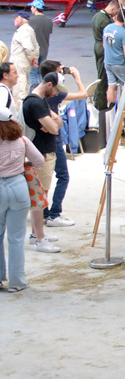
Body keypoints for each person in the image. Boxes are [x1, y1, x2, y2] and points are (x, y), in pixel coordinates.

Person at [35, 61, 87, 230]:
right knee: (62, 176)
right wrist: (77, 78)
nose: (63, 75)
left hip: (39, 141)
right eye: (60, 73)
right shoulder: (55, 94)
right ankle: (54, 214)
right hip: (54, 140)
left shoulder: (35, 92)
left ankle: (43, 212)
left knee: (42, 179)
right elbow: (83, 94)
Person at [0, 101, 43, 291]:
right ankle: (17, 282)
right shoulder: (22, 141)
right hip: (18, 186)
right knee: (16, 238)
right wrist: (23, 165)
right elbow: (39, 161)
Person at [21, 75, 62, 251]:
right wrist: (54, 124)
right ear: (49, 84)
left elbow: (58, 121)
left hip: (42, 153)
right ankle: (39, 238)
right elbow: (54, 127)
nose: (57, 94)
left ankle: (35, 234)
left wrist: (55, 123)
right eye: (56, 90)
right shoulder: (36, 103)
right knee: (38, 198)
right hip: (40, 155)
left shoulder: (40, 100)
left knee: (41, 196)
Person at [102, 3, 125, 109]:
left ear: (115, 16)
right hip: (119, 63)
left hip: (108, 61)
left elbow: (104, 45)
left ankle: (110, 107)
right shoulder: (124, 33)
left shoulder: (107, 28)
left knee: (111, 85)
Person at [89, 0, 113, 112]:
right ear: (112, 9)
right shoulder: (105, 21)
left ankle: (98, 100)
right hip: (103, 47)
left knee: (100, 73)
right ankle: (100, 103)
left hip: (97, 45)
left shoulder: (97, 16)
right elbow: (107, 39)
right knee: (103, 76)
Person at [9, 12, 37, 96]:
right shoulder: (28, 29)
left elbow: (29, 47)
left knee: (19, 88)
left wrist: (32, 59)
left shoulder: (24, 31)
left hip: (20, 62)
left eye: (16, 18)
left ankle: (20, 108)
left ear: (21, 19)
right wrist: (33, 58)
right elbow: (35, 47)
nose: (14, 20)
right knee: (24, 85)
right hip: (22, 61)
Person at [27, 0, 52, 65]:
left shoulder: (30, 21)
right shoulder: (49, 20)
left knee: (33, 73)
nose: (31, 8)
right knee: (41, 71)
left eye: (32, 7)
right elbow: (49, 32)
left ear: (35, 8)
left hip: (34, 51)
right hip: (44, 50)